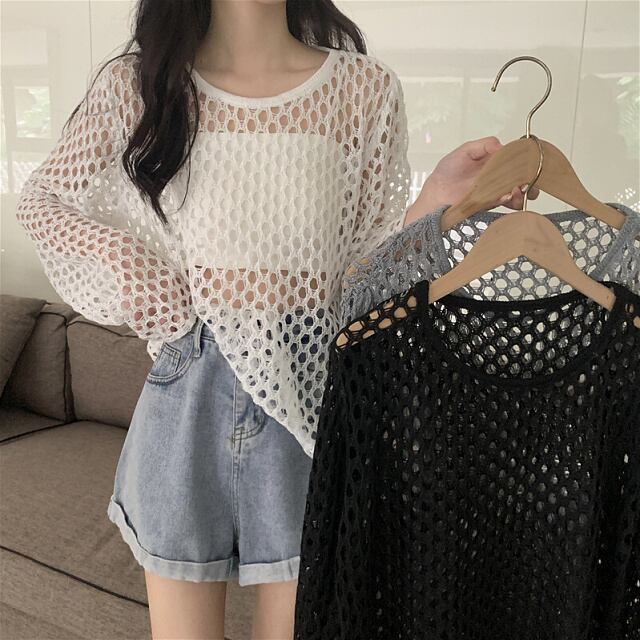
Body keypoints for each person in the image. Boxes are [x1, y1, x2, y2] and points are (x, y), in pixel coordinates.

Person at [15, 1, 536, 638]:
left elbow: (361, 278)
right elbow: (45, 200)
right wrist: (136, 271)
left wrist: (434, 202)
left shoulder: (363, 89)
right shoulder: (139, 83)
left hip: (310, 393)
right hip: (189, 389)